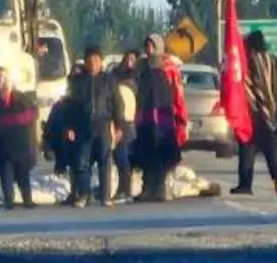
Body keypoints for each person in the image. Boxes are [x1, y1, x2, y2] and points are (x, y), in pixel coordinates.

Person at [231, 30, 277, 196]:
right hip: (274, 117)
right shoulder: (275, 61)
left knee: (247, 149)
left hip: (254, 116)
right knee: (273, 150)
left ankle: (245, 184)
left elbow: (244, 87)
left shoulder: (248, 63)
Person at [64, 45, 124, 208]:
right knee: (82, 162)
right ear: (86, 62)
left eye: (96, 60)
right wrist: (69, 127)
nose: (93, 64)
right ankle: (84, 194)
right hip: (83, 127)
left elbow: (118, 103)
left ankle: (105, 196)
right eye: (90, 60)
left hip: (103, 125)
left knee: (104, 162)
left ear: (101, 62)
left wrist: (119, 126)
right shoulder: (78, 82)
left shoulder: (109, 80)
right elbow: (69, 106)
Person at [132, 34, 187, 201]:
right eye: (147, 46)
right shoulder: (141, 67)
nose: (149, 49)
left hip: (163, 116)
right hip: (145, 116)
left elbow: (177, 93)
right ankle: (147, 188)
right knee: (145, 152)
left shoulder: (168, 67)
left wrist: (181, 117)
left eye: (152, 46)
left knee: (161, 152)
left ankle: (160, 188)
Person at [0, 66, 38, 210]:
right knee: (6, 172)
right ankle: (9, 200)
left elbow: (31, 114)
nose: (4, 82)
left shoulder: (20, 97)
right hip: (3, 144)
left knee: (23, 174)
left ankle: (27, 200)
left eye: (6, 78)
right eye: (0, 79)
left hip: (21, 143)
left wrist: (10, 119)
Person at [111, 49, 139, 200]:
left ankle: (125, 188)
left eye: (133, 59)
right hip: (117, 118)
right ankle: (122, 188)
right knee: (118, 156)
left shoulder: (137, 77)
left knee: (124, 157)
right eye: (127, 58)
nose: (129, 61)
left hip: (130, 120)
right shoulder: (115, 76)